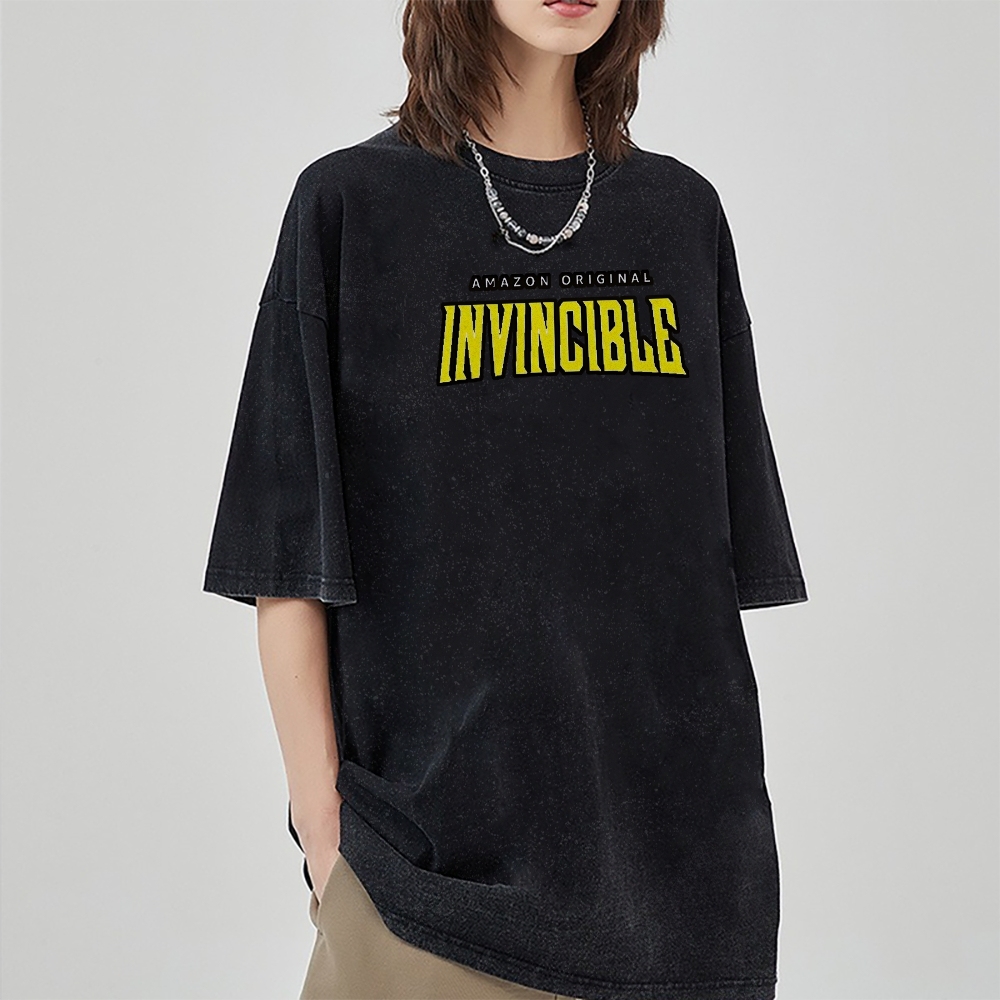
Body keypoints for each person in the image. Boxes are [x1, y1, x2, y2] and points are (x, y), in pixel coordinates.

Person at [202, 0, 809, 997]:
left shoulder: (679, 216)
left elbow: (698, 584)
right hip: (427, 897)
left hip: (686, 903)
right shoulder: (351, 207)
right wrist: (325, 837)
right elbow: (287, 561)